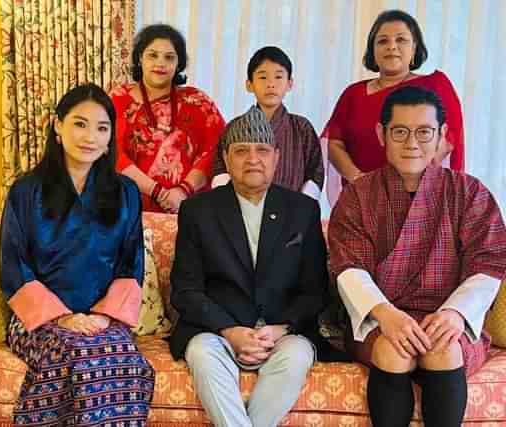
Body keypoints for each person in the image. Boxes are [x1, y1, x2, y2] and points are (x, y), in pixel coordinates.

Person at [328, 86, 506, 427]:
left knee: (444, 349)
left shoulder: (469, 192)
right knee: (393, 350)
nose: (412, 143)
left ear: (441, 135)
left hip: (448, 317)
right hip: (382, 318)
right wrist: (385, 315)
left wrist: (455, 314)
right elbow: (348, 267)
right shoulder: (358, 196)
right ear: (382, 134)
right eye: (400, 131)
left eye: (424, 132)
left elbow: (488, 263)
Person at [0, 83, 155, 426]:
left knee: (125, 359)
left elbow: (132, 263)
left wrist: (104, 316)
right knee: (80, 356)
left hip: (104, 318)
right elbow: (13, 265)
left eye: (102, 128)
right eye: (80, 123)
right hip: (39, 320)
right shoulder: (26, 190)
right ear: (58, 125)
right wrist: (62, 318)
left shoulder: (125, 192)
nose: (90, 137)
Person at [170, 106, 328, 427]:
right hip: (217, 331)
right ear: (227, 160)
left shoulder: (303, 210)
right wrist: (230, 330)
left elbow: (316, 289)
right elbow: (185, 290)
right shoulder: (198, 210)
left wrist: (280, 328)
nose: (252, 159)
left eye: (262, 150)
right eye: (241, 151)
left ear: (276, 157)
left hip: (281, 332)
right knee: (201, 352)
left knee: (297, 354)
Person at [324, 9, 464, 187]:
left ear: (414, 48)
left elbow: (448, 140)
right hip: (361, 196)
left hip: (420, 194)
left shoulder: (436, 85)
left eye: (401, 40)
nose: (391, 46)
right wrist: (360, 181)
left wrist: (407, 188)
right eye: (382, 41)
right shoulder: (353, 93)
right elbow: (335, 144)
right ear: (372, 50)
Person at [110, 24, 225, 213]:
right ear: (140, 58)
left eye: (169, 57)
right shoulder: (118, 99)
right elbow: (111, 152)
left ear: (178, 63)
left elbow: (217, 149)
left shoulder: (198, 101)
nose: (160, 63)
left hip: (188, 207)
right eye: (152, 55)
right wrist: (156, 191)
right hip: (129, 207)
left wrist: (182, 191)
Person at [212, 46, 324, 200]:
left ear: (290, 83)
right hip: (242, 208)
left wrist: (303, 206)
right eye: (263, 77)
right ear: (249, 84)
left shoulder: (301, 127)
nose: (271, 84)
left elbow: (315, 171)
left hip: (291, 211)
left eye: (278, 77)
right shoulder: (235, 127)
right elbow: (220, 168)